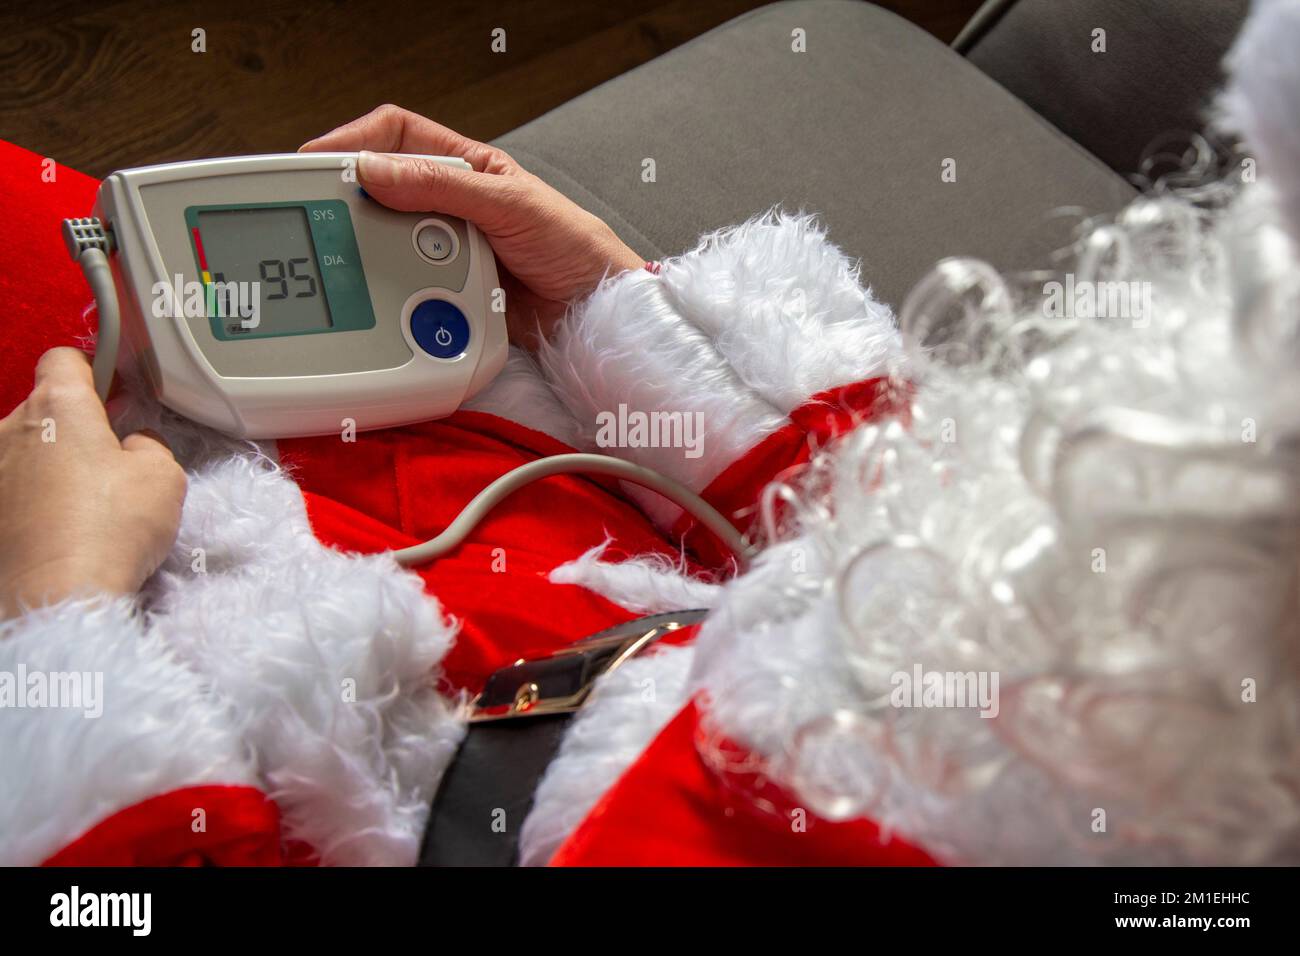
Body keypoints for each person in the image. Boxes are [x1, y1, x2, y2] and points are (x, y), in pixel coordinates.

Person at [2, 0, 1298, 867]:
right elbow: (970, 561)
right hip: (592, 583)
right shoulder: (1188, 621)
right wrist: (634, 311)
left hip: (234, 773)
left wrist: (53, 637)